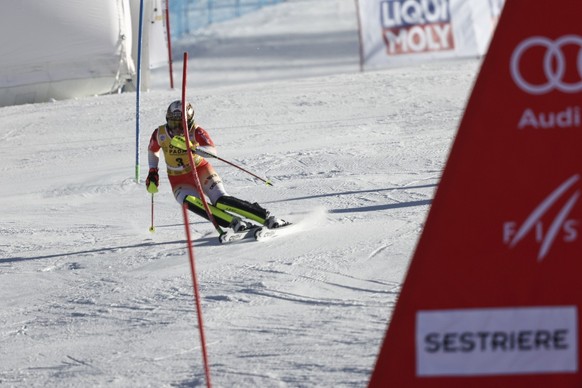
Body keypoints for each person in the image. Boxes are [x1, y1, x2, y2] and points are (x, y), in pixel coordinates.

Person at [146, 100, 288, 234]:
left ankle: (266, 217)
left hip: (200, 169)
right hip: (178, 178)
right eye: (173, 123)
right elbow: (153, 150)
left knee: (221, 201)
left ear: (189, 122)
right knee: (191, 202)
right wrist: (153, 171)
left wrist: (193, 148)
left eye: (181, 125)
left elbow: (212, 151)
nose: (176, 129)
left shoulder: (196, 131)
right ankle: (235, 223)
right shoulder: (160, 133)